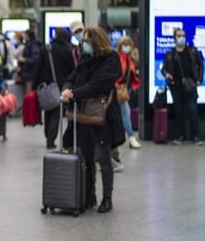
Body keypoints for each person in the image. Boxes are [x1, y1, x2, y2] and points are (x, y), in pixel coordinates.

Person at [60, 27, 123, 213]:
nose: (84, 44)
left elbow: (98, 85)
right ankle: (90, 196)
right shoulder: (86, 58)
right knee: (86, 156)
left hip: (101, 115)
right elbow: (73, 76)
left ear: (96, 41)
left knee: (103, 158)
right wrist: (67, 88)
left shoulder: (111, 59)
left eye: (87, 41)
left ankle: (107, 198)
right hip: (83, 115)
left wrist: (74, 93)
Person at [34, 28, 76, 150]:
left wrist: (34, 84)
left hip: (48, 85)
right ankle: (52, 138)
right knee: (58, 112)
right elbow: (72, 69)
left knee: (49, 111)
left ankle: (49, 137)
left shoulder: (47, 49)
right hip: (64, 86)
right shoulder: (69, 49)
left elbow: (38, 68)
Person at [161, 27, 204, 145]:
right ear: (174, 38)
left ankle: (196, 136)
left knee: (192, 110)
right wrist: (167, 74)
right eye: (179, 36)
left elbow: (201, 66)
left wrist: (199, 79)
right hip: (176, 87)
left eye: (183, 36)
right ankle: (181, 135)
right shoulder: (170, 54)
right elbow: (164, 68)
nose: (182, 38)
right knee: (178, 111)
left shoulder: (192, 51)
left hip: (190, 86)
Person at [115, 36, 142, 151]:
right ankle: (131, 137)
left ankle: (129, 137)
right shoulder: (118, 58)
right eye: (124, 45)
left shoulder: (129, 59)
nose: (126, 47)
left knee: (125, 113)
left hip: (123, 89)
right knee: (125, 113)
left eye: (128, 45)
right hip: (117, 89)